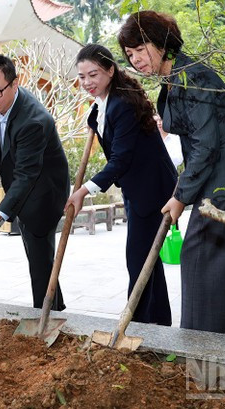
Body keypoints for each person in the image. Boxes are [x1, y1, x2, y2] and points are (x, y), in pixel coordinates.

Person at [118, 11, 225, 337]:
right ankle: (222, 348)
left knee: (204, 260)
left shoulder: (192, 77)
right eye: (129, 55)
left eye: (140, 49)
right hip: (222, 181)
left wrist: (180, 197)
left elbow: (206, 145)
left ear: (160, 42)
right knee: (223, 269)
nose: (136, 60)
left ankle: (205, 347)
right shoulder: (176, 77)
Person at [65, 44, 177, 325]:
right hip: (136, 187)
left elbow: (120, 160)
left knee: (139, 259)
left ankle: (135, 324)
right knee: (147, 259)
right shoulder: (103, 105)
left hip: (152, 188)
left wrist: (84, 189)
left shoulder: (121, 104)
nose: (87, 82)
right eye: (82, 77)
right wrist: (94, 118)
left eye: (94, 75)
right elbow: (108, 133)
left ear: (111, 71)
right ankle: (157, 322)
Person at [0, 54, 68, 311]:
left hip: (42, 194)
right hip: (25, 186)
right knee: (40, 261)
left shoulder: (32, 122)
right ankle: (53, 311)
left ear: (14, 84)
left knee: (40, 259)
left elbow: (26, 176)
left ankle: (46, 316)